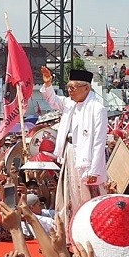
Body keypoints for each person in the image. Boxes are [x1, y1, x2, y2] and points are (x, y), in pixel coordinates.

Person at [40, 67, 107, 220]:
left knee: (87, 198)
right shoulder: (70, 104)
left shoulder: (97, 109)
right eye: (68, 87)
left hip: (87, 160)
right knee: (69, 194)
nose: (69, 91)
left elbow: (99, 142)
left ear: (86, 88)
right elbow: (53, 100)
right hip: (69, 152)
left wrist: (94, 171)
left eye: (73, 87)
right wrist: (48, 84)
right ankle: (69, 232)